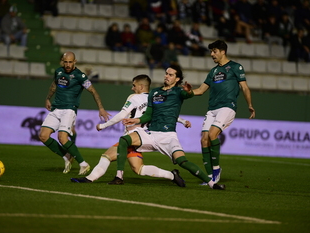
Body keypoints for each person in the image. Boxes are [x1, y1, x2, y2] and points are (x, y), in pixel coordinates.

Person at [108, 65, 226, 190]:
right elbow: (148, 115)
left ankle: (212, 184)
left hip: (168, 136)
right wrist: (135, 120)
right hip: (151, 134)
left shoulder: (179, 92)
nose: (167, 76)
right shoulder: (154, 92)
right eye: (166, 73)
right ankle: (119, 177)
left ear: (177, 79)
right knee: (124, 140)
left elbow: (188, 95)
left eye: (171, 75)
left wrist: (189, 91)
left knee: (183, 162)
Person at [71, 74, 192, 187]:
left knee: (107, 156)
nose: (132, 88)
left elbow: (121, 115)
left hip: (133, 137)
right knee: (138, 169)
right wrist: (183, 121)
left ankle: (90, 178)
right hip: (144, 138)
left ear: (141, 86)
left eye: (134, 85)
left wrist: (103, 126)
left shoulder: (134, 97)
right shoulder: (156, 98)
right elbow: (166, 114)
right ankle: (172, 175)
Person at [192, 40, 255, 185]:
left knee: (213, 134)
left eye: (214, 51)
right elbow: (200, 91)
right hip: (212, 108)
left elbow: (244, 87)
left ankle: (216, 169)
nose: (212, 54)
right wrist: (186, 92)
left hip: (227, 106)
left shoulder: (235, 67)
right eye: (211, 51)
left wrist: (250, 105)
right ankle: (209, 178)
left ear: (223, 51)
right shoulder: (213, 71)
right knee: (204, 140)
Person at [39, 51, 111, 175]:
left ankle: (84, 164)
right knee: (43, 136)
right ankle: (67, 156)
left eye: (70, 62)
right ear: (62, 61)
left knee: (62, 138)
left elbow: (93, 91)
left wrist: (101, 108)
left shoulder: (80, 76)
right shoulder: (58, 72)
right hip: (56, 108)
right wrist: (47, 98)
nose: (67, 65)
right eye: (65, 62)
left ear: (75, 62)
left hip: (69, 109)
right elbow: (54, 85)